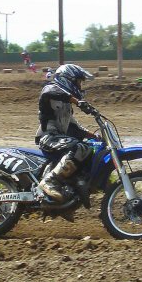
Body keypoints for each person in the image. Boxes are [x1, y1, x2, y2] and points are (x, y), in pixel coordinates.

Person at [35, 63, 98, 202]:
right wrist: (76, 100)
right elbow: (49, 93)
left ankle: (74, 187)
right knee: (80, 148)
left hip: (59, 139)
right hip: (48, 138)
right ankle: (49, 181)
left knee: (91, 147)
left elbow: (74, 127)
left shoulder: (67, 106)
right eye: (78, 82)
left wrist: (95, 136)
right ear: (67, 79)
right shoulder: (50, 89)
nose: (80, 86)